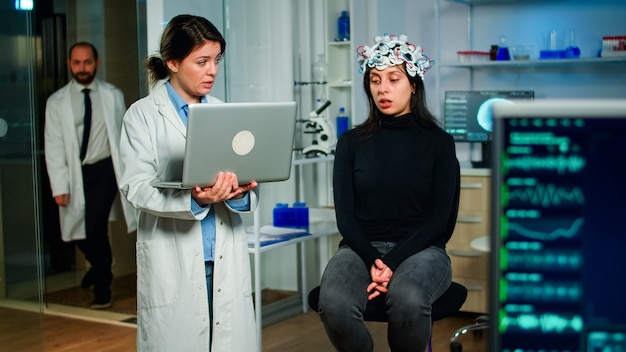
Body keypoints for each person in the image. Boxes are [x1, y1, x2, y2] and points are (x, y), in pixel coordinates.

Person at [118, 15, 258, 352]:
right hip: (174, 259)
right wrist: (197, 200)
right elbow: (135, 186)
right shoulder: (143, 115)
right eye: (202, 61)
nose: (212, 71)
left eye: (216, 61)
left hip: (223, 252)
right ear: (173, 62)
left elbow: (246, 180)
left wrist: (238, 193)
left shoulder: (224, 112)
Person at [316, 34, 461, 352]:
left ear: (413, 84)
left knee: (407, 298)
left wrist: (391, 262)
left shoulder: (439, 143)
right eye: (375, 80)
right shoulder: (351, 142)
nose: (383, 88)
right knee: (333, 302)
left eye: (394, 79)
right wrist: (374, 259)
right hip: (359, 248)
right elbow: (346, 217)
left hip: (423, 250)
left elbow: (439, 222)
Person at [44, 41, 137, 310]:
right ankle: (99, 268)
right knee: (77, 233)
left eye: (87, 62)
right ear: (69, 65)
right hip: (75, 172)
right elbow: (53, 145)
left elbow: (123, 136)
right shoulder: (56, 102)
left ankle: (102, 289)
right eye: (76, 62)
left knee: (95, 226)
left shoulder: (112, 94)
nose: (82, 68)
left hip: (105, 170)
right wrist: (59, 185)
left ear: (96, 63)